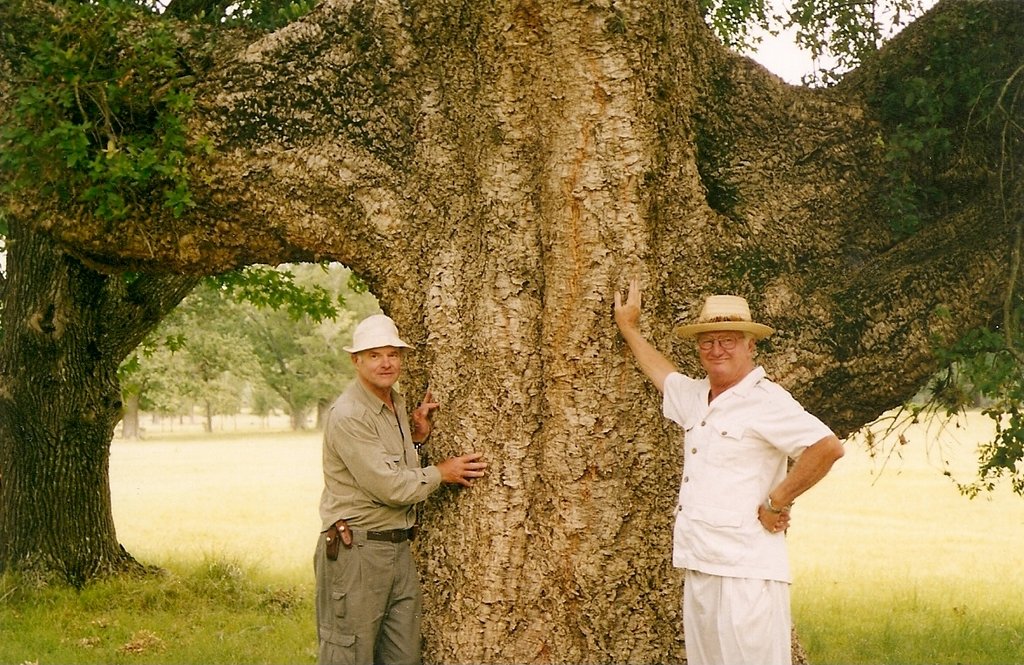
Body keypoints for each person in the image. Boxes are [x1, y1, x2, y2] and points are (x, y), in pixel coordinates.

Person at [613, 280, 844, 665]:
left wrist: (778, 499)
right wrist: (629, 329)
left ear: (750, 345)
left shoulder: (766, 400)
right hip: (700, 563)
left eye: (728, 340)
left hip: (747, 570)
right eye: (707, 341)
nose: (716, 350)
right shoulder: (698, 397)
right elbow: (665, 377)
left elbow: (827, 447)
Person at [315, 313, 487, 665]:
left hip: (396, 549)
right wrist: (442, 472)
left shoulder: (394, 403)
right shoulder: (349, 414)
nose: (386, 363)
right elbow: (390, 487)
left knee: (402, 656)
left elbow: (393, 466)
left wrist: (417, 440)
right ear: (356, 360)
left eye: (392, 354)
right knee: (349, 656)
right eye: (374, 355)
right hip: (356, 551)